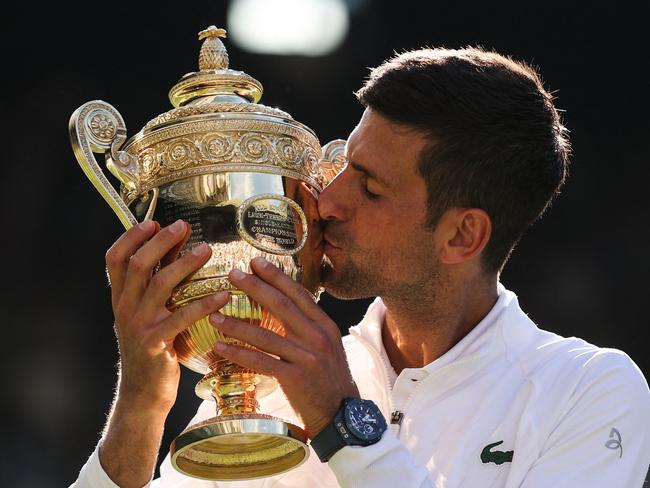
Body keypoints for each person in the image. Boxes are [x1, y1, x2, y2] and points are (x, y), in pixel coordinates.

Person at [71, 46, 650, 488]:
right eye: (344, 164)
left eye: (369, 188)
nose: (328, 199)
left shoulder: (588, 391)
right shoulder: (270, 385)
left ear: (461, 235)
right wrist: (140, 409)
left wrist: (342, 424)